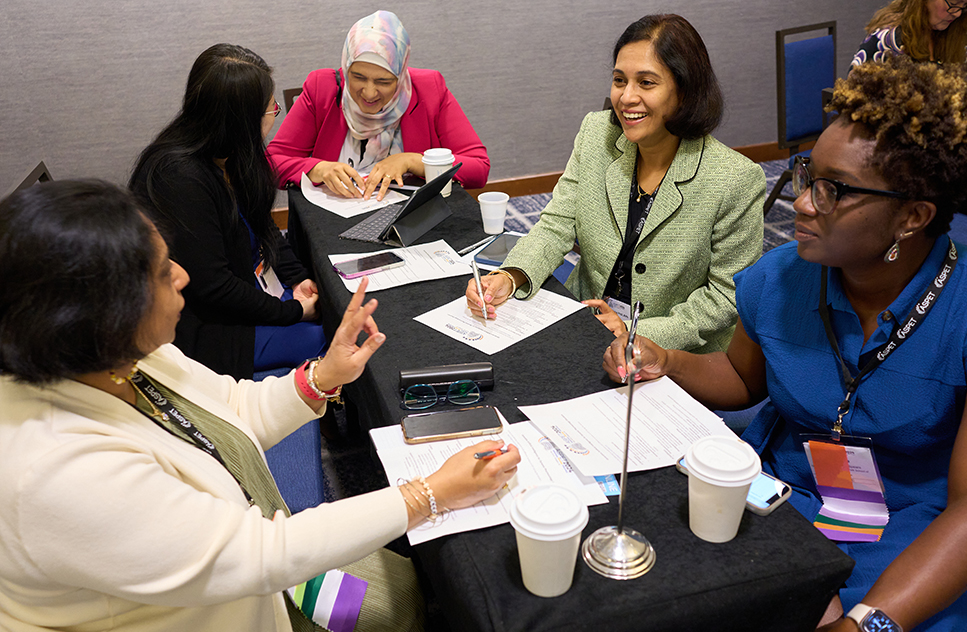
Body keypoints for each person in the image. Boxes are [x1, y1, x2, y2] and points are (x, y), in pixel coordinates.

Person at [0, 180, 520, 632]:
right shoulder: (55, 469)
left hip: (249, 568)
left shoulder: (118, 354)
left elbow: (230, 408)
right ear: (99, 312)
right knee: (387, 620)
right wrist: (426, 495)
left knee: (400, 592)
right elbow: (259, 555)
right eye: (161, 273)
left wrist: (320, 378)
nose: (182, 275)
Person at [606, 57, 967, 632]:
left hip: (916, 521)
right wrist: (670, 360)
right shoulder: (780, 278)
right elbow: (742, 380)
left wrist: (868, 630)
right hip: (790, 489)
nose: (802, 205)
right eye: (805, 176)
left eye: (833, 190)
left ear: (913, 216)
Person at [465, 14, 764, 352]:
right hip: (585, 321)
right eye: (620, 80)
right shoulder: (597, 134)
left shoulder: (735, 179)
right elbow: (556, 224)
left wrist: (632, 330)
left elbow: (725, 297)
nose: (626, 97)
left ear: (684, 92)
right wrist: (510, 276)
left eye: (646, 83)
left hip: (673, 352)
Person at [130, 44, 324, 381]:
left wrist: (297, 277)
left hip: (253, 291)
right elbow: (212, 288)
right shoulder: (178, 180)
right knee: (327, 335)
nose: (274, 116)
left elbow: (264, 227)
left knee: (334, 304)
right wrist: (291, 311)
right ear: (243, 121)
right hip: (202, 328)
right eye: (271, 109)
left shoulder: (233, 155)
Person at [268, 10, 489, 201]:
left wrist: (412, 160)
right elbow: (271, 162)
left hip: (411, 216)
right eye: (358, 77)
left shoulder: (429, 89)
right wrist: (318, 169)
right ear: (346, 66)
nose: (369, 92)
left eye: (384, 82)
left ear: (401, 75)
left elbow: (478, 168)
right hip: (335, 215)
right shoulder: (323, 89)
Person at [853, 0, 967, 74]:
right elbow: (852, 103)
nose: (958, 13)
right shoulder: (885, 42)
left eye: (965, 4)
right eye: (954, 3)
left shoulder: (958, 35)